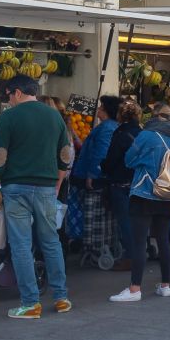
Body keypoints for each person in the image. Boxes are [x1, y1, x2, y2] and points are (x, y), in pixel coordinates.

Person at [0, 75, 72, 320]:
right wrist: (56, 183)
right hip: (46, 188)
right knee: (51, 242)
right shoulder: (54, 116)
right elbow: (65, 154)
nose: (8, 101)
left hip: (16, 188)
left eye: (8, 96)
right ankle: (61, 298)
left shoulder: (9, 117)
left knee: (21, 245)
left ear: (16, 92)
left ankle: (30, 303)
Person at [110, 104, 170, 302]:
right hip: (168, 196)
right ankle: (165, 285)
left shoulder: (147, 136)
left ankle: (135, 289)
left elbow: (129, 160)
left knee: (139, 242)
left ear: (155, 117)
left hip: (144, 193)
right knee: (163, 240)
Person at [73, 95, 121, 266]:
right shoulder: (110, 126)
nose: (98, 110)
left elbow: (101, 153)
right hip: (103, 177)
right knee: (103, 215)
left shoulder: (107, 128)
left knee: (96, 215)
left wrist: (92, 174)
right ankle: (98, 247)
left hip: (98, 179)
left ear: (106, 111)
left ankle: (96, 248)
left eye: (101, 107)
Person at [100, 101, 143, 271]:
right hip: (138, 183)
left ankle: (130, 257)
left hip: (121, 183)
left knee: (125, 221)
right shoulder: (142, 133)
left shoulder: (120, 134)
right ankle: (138, 253)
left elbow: (111, 160)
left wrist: (104, 168)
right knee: (137, 221)